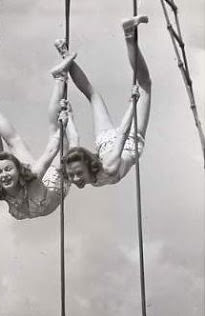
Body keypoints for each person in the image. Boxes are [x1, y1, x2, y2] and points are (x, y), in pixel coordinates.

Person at [0, 45, 76, 220]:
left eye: (7, 170)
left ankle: (59, 79)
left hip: (50, 186)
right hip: (45, 189)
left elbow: (51, 151)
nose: (4, 175)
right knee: (12, 141)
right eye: (0, 173)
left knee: (53, 131)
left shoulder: (31, 177)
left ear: (19, 170)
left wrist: (63, 126)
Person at [58, 16, 151, 188]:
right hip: (107, 144)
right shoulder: (98, 168)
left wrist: (133, 103)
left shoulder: (109, 168)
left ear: (88, 165)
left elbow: (123, 134)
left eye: (77, 173)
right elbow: (74, 140)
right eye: (72, 174)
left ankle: (129, 34)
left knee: (144, 85)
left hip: (124, 143)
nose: (76, 178)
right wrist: (69, 118)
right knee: (92, 96)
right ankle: (65, 55)